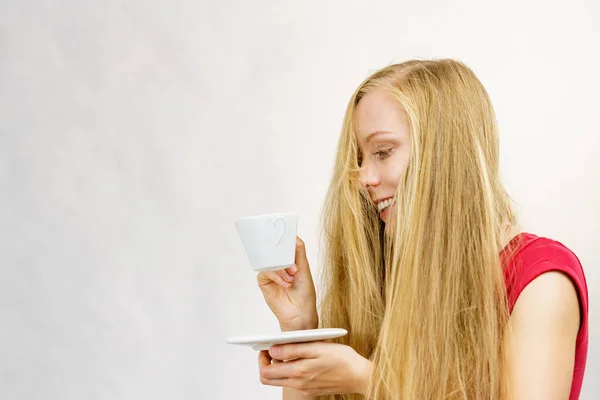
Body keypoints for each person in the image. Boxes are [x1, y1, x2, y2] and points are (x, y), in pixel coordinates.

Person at [255, 59, 588, 399]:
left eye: (382, 152)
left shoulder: (540, 281)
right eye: (359, 159)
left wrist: (370, 381)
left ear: (446, 151)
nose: (364, 178)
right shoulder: (393, 274)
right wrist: (300, 329)